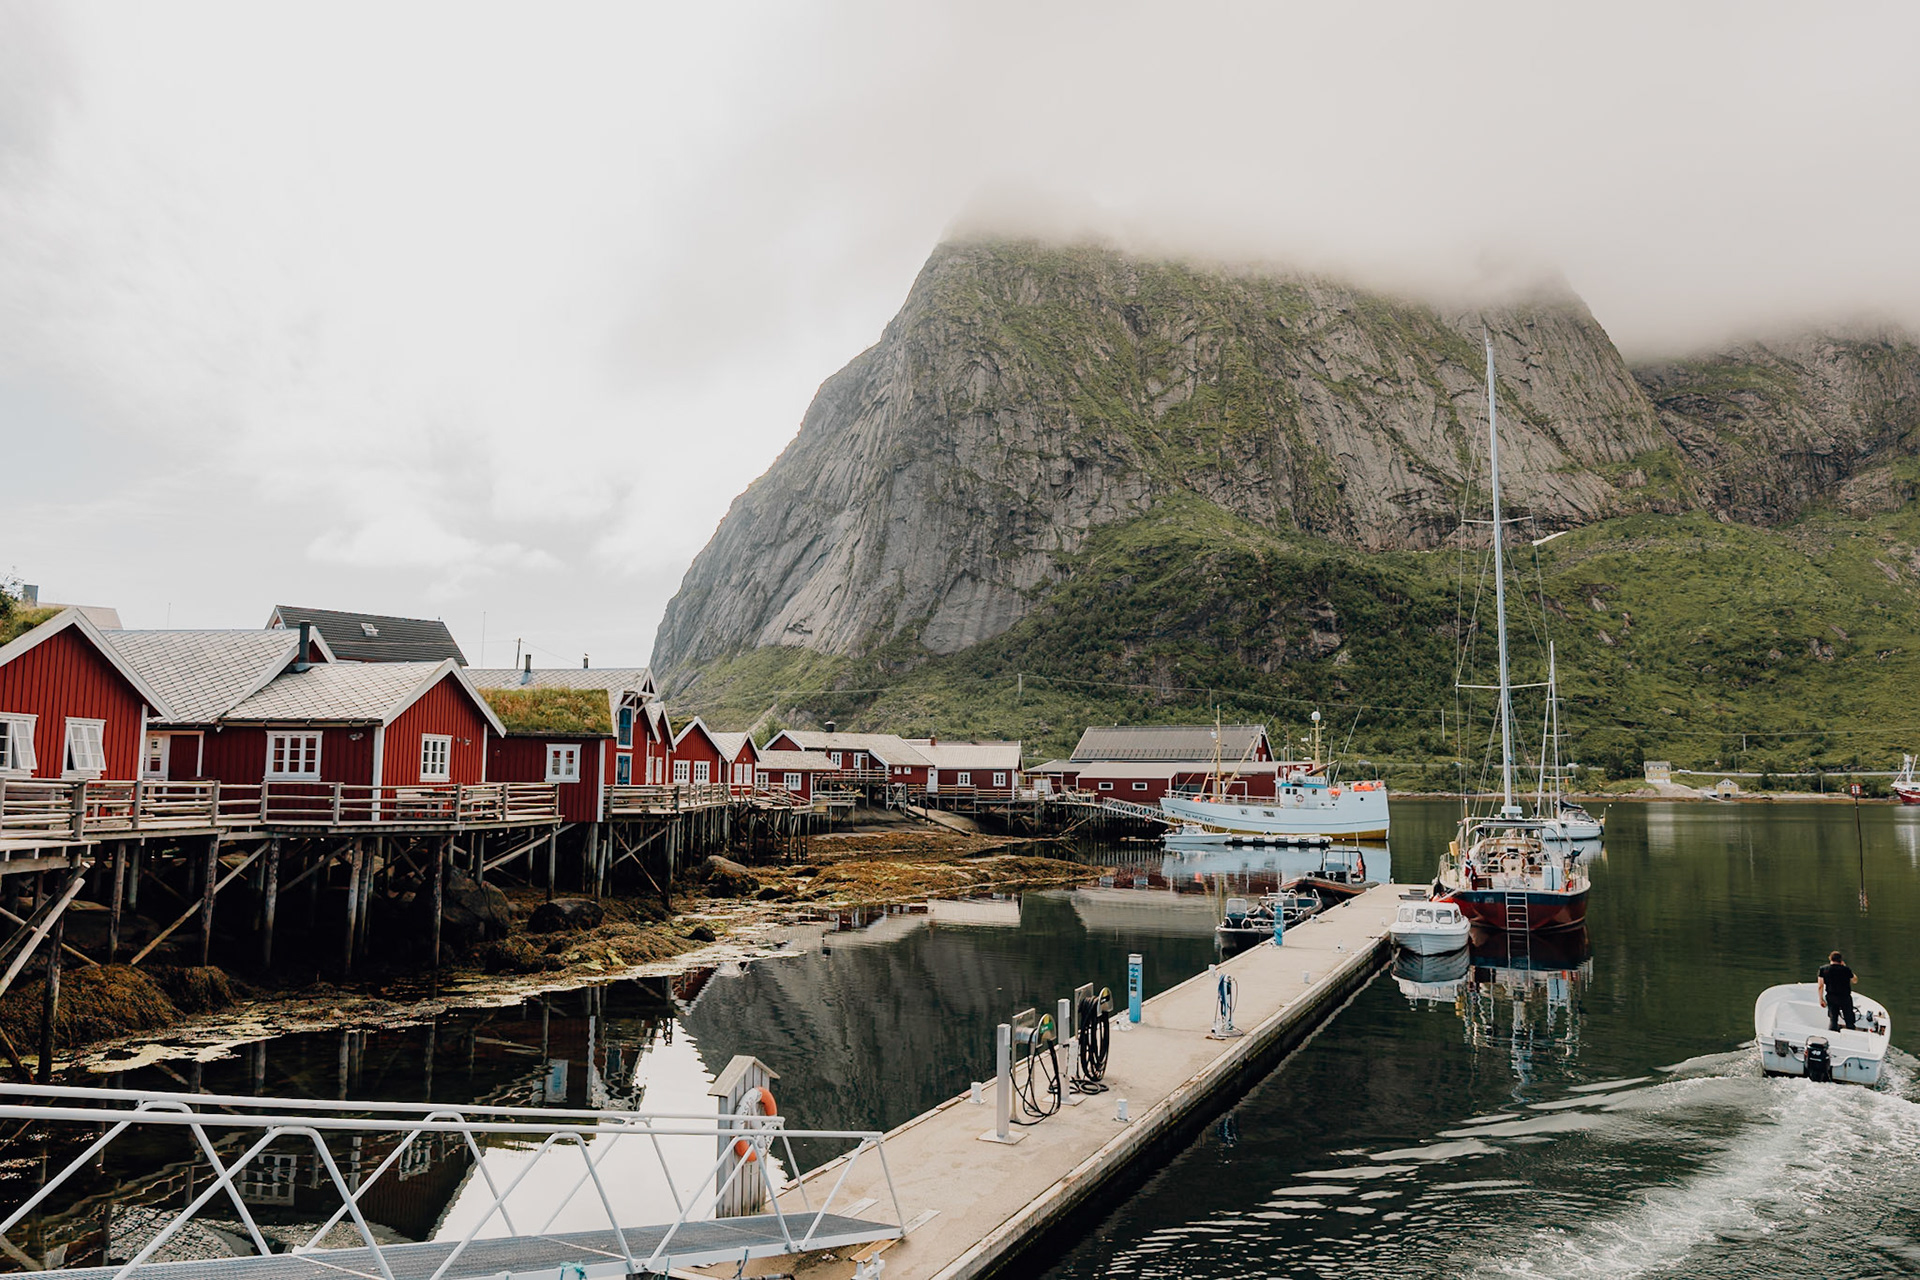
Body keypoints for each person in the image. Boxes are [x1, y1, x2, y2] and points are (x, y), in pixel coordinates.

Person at [1818, 950, 1858, 1032]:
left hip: (1831, 997)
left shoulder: (1823, 969)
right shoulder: (1846, 970)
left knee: (1833, 1019)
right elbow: (1855, 980)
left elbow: (1820, 985)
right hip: (1845, 997)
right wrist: (1845, 966)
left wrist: (1821, 999)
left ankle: (1832, 1036)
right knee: (1849, 1019)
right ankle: (1851, 1035)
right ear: (1841, 960)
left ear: (1830, 959)